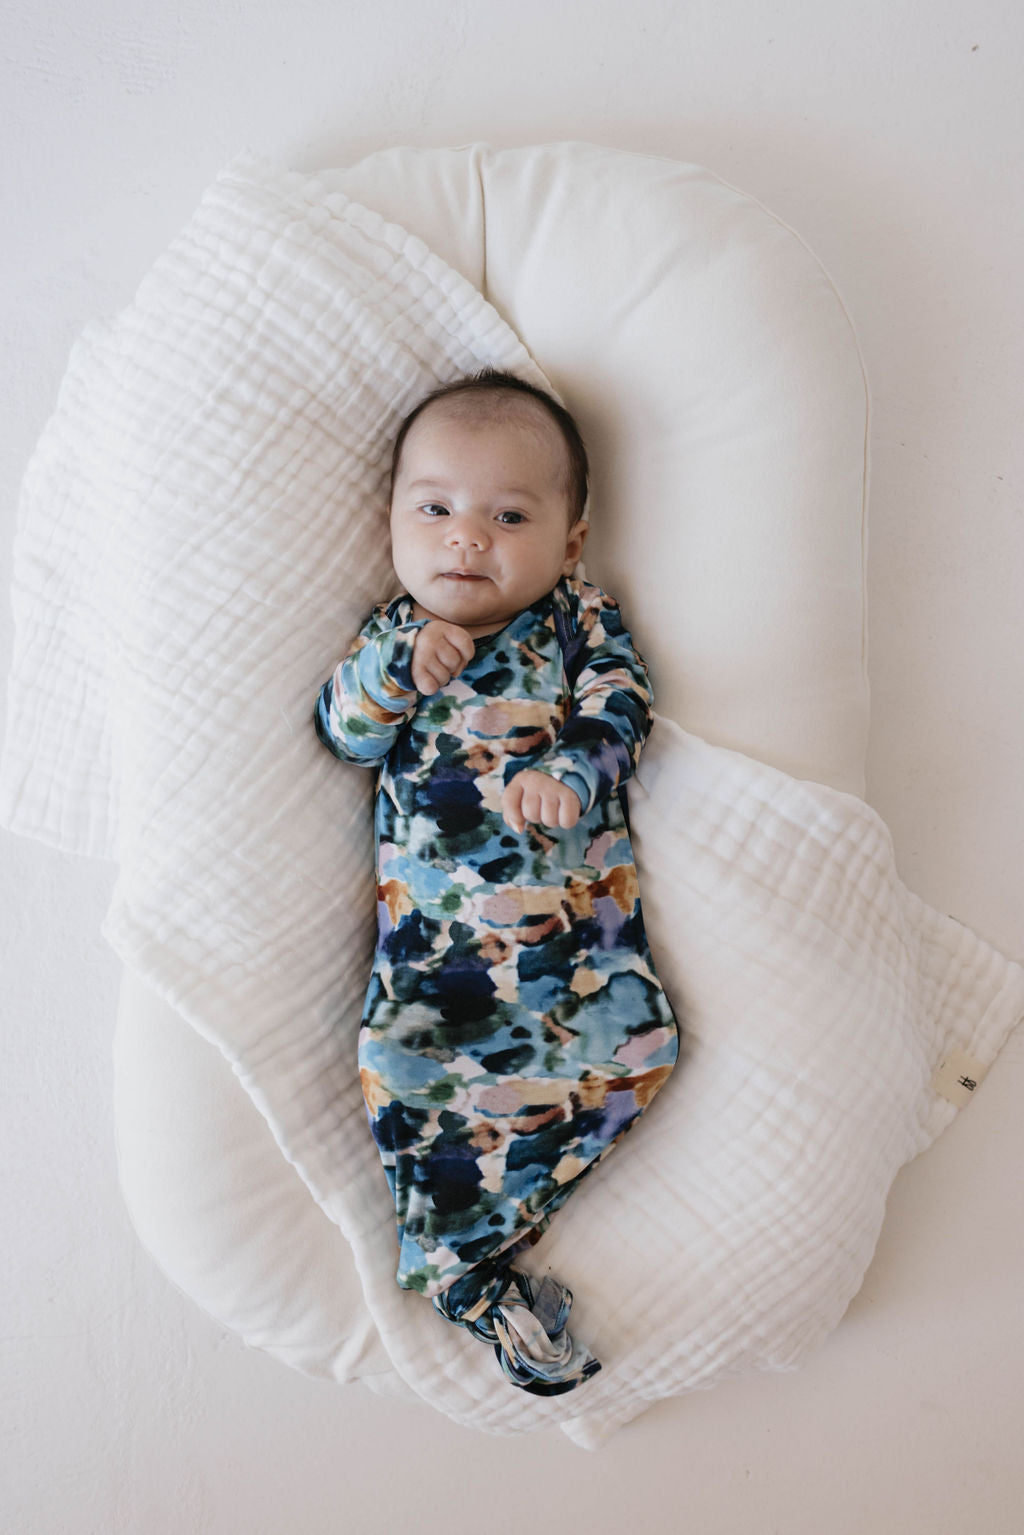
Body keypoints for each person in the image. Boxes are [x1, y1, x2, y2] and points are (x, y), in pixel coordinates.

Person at [314, 369, 679, 1394]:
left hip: (570, 940)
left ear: (568, 540)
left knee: (637, 1044)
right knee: (407, 1072)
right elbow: (342, 731)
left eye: (507, 514)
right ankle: (470, 1269)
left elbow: (624, 703)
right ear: (391, 521)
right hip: (433, 955)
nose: (465, 537)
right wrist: (395, 673)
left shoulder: (573, 620)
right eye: (434, 509)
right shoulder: (395, 636)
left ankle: (498, 1228)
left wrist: (571, 767)